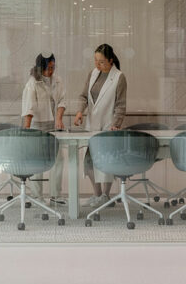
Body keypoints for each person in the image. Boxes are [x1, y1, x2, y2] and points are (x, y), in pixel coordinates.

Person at [73, 43, 127, 207]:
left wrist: (116, 124)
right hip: (92, 125)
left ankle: (106, 194)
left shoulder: (119, 77)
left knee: (106, 162)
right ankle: (97, 194)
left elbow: (121, 105)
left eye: (102, 61)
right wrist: (80, 111)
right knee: (89, 163)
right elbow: (83, 96)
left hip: (108, 125)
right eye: (96, 60)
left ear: (111, 60)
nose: (98, 64)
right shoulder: (93, 73)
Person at [21, 52, 66, 202]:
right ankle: (37, 196)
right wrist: (26, 132)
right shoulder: (32, 83)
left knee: (58, 159)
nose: (51, 71)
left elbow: (62, 101)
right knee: (37, 162)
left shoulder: (57, 80)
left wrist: (59, 118)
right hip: (36, 126)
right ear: (41, 68)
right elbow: (29, 109)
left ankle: (55, 194)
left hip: (52, 126)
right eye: (48, 68)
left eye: (53, 67)